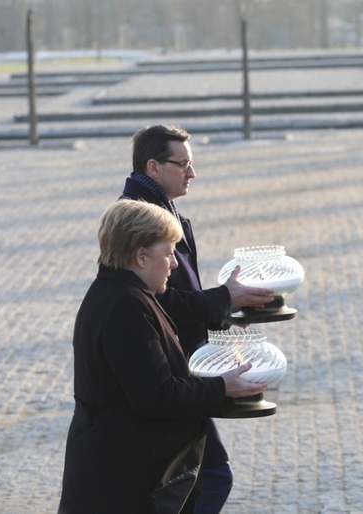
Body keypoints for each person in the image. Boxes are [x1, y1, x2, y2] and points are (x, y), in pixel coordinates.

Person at [58, 199, 266, 514]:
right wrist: (221, 387)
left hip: (117, 470)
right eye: (168, 253)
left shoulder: (123, 294)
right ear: (140, 256)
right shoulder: (126, 306)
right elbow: (156, 395)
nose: (175, 264)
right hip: (121, 481)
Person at [120, 124, 274, 513]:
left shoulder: (166, 213)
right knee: (209, 479)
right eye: (183, 164)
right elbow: (156, 301)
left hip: (184, 369)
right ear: (153, 167)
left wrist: (228, 310)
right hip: (169, 373)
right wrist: (223, 298)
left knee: (197, 481)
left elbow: (182, 296)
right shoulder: (138, 222)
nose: (192, 173)